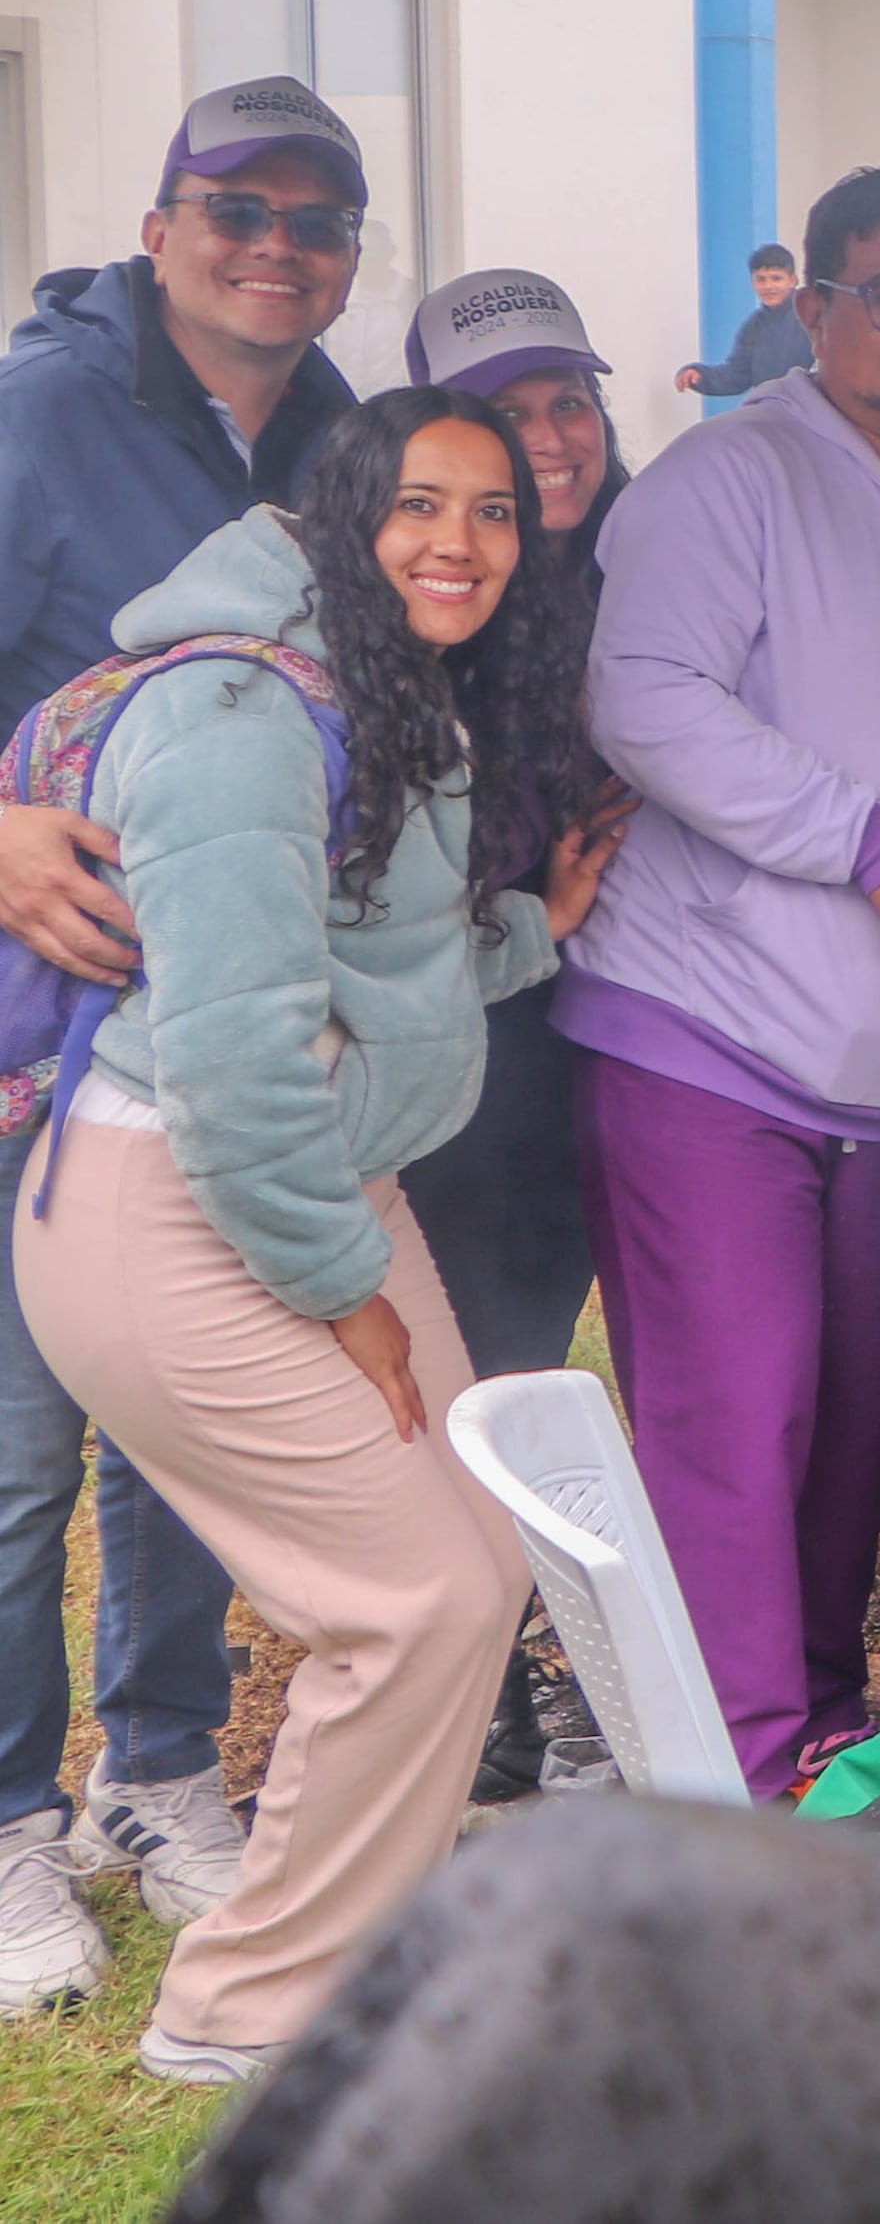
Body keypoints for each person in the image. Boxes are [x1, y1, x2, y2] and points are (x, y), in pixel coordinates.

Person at [14, 387, 624, 2079]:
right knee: (419, 1594)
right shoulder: (235, 712)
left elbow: (363, 956)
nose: (459, 541)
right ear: (345, 513)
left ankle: (370, 1949)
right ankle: (243, 2015)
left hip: (296, 1182)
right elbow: (229, 1065)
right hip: (180, 1202)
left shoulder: (365, 678)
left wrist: (519, 931)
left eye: (494, 511)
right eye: (419, 502)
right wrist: (349, 1293)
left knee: (481, 1564)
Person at [565, 160, 880, 1791]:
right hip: (707, 1038)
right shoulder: (731, 481)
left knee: (865, 1419)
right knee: (742, 1415)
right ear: (816, 307)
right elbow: (639, 695)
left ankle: (815, 1719)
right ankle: (738, 1771)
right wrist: (870, 844)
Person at [0, 77, 375, 2008]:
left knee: (176, 1428)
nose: (275, 242)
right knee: (15, 1447)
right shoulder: (42, 412)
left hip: (208, 1035)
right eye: (237, 204)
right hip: (27, 1024)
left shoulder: (328, 441)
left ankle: (151, 1772)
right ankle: (5, 1824)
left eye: (320, 218)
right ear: (156, 226)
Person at [394, 269, 640, 1801]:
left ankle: (551, 1674)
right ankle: (472, 1698)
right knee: (476, 1362)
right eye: (508, 412)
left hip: (609, 1021)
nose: (548, 438)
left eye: (571, 401)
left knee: (564, 1354)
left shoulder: (648, 556)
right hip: (471, 1029)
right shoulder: (426, 580)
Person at [675, 243, 813, 400]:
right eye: (761, 279)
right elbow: (736, 376)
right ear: (752, 282)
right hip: (770, 413)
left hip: (811, 413)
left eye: (776, 278)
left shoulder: (814, 316)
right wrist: (699, 376)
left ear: (792, 280)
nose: (768, 286)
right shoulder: (753, 327)